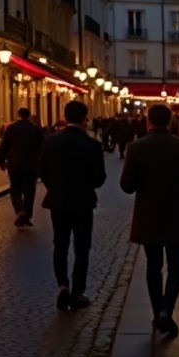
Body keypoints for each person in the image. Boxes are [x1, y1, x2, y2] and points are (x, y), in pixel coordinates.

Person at [119, 103, 179, 336]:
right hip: (178, 214)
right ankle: (167, 309)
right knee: (176, 264)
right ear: (170, 121)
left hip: (149, 215)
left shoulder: (136, 147)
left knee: (153, 266)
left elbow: (126, 186)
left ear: (148, 121)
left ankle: (158, 312)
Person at [39, 100, 106, 311]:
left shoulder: (50, 142)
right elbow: (98, 179)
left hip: (58, 201)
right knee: (81, 248)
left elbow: (43, 172)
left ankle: (63, 286)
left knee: (60, 244)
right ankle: (78, 292)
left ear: (65, 117)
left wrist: (56, 187)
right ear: (85, 119)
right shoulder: (93, 145)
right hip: (83, 202)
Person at [0, 107, 47, 228]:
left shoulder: (10, 129)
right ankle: (26, 214)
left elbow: (3, 147)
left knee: (15, 188)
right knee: (29, 190)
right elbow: (43, 147)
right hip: (31, 165)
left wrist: (1, 162)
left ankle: (20, 210)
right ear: (29, 116)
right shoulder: (36, 129)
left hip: (14, 165)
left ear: (17, 115)